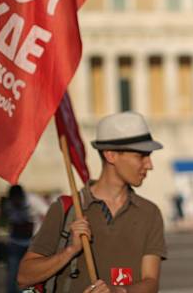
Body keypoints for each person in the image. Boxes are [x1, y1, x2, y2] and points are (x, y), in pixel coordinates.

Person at [18, 111, 167, 293]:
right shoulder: (67, 208)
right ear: (111, 155)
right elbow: (24, 277)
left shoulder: (149, 213)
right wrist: (71, 250)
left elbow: (151, 283)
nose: (149, 164)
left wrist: (117, 291)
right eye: (140, 155)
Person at [0, 185, 49, 293]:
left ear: (22, 196)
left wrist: (45, 236)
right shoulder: (7, 203)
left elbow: (49, 214)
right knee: (12, 271)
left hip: (33, 243)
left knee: (33, 272)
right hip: (15, 242)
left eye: (18, 200)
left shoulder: (33, 200)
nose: (16, 203)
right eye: (13, 200)